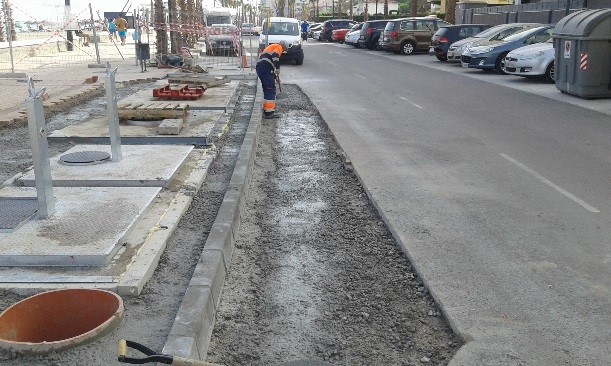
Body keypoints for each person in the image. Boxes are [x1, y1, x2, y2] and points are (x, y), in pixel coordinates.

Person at [256, 42, 287, 119]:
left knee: (267, 89)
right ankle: (269, 112)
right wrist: (278, 68)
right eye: (283, 50)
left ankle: (267, 110)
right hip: (265, 67)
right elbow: (275, 56)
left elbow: (269, 62)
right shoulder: (279, 46)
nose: (282, 52)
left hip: (262, 68)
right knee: (271, 89)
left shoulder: (271, 47)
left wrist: (275, 77)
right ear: (283, 46)